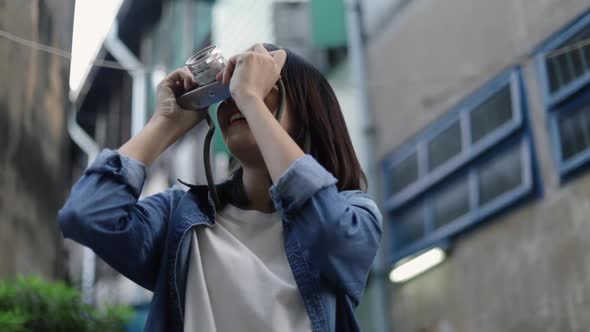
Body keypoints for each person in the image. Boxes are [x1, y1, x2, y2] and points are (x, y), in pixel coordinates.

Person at [58, 43, 382, 332]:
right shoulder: (179, 216)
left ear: (308, 113)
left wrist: (250, 100)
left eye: (263, 85)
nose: (236, 99)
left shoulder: (356, 212)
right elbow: (87, 215)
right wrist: (165, 123)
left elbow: (332, 236)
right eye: (231, 93)